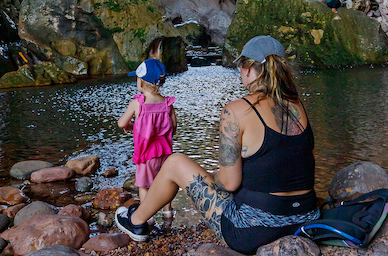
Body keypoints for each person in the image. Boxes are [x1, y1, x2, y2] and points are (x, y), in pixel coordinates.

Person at [115, 36, 320, 255]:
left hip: (254, 230)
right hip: (306, 220)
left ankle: (136, 221)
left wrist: (211, 177)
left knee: (174, 163)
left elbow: (230, 183)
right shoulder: (296, 104)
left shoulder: (237, 110)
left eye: (241, 66)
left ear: (249, 69)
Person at [118, 58, 177, 219]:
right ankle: (167, 213)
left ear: (142, 83)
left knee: (143, 185)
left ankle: (147, 216)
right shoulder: (167, 104)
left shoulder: (138, 104)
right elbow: (173, 128)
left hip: (145, 154)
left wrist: (130, 126)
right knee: (165, 183)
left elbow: (121, 122)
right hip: (164, 151)